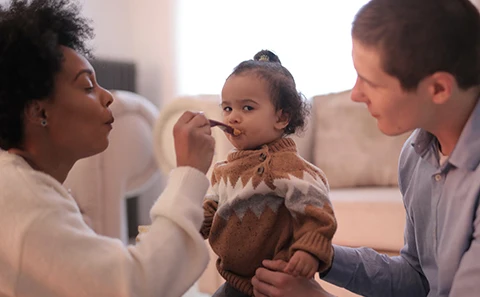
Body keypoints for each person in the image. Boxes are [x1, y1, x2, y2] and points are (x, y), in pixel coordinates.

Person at [251, 0, 480, 296]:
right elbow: (419, 279)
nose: (357, 94)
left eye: (371, 81)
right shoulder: (417, 154)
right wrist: (321, 255)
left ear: (438, 89)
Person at [0, 1, 215, 296]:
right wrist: (189, 174)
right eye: (88, 86)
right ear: (40, 113)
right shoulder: (22, 198)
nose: (108, 97)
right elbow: (136, 285)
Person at [200, 50, 337, 297]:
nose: (233, 117)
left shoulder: (289, 168)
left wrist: (309, 251)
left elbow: (317, 212)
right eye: (227, 108)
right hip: (233, 281)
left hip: (277, 282)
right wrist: (183, 222)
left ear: (282, 117)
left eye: (248, 108)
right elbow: (208, 213)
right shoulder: (223, 171)